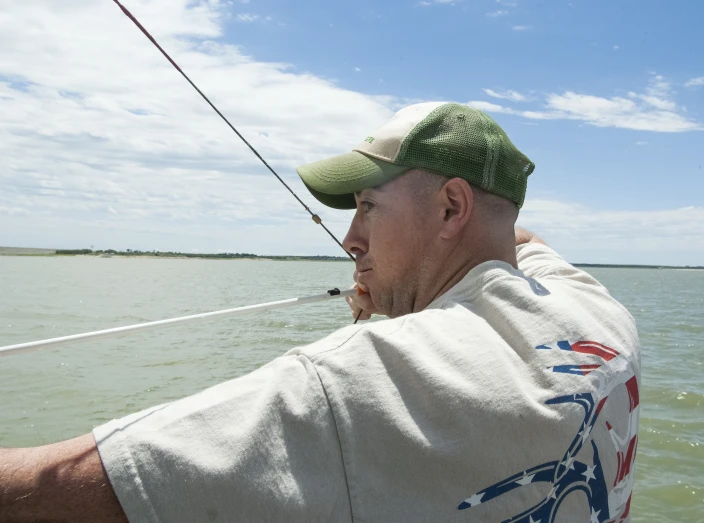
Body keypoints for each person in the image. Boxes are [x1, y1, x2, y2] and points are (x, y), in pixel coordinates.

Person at [0, 102, 640, 522]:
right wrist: (415, 289)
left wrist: (413, 305)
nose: (350, 239)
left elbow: (51, 490)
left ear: (451, 207)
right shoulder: (596, 310)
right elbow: (525, 244)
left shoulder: (357, 382)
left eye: (367, 206)